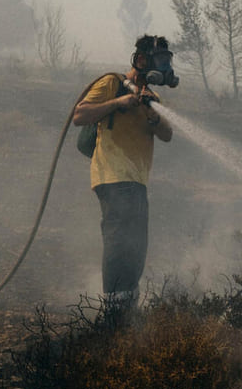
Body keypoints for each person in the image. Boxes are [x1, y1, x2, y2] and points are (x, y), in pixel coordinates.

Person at [72, 35, 175, 323]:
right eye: (159, 61)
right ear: (141, 60)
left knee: (136, 246)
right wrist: (120, 101)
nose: (164, 67)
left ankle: (126, 310)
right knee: (119, 243)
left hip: (137, 182)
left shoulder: (153, 99)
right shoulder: (111, 83)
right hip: (112, 176)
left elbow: (167, 134)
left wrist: (150, 112)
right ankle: (113, 312)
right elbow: (80, 115)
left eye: (167, 61)